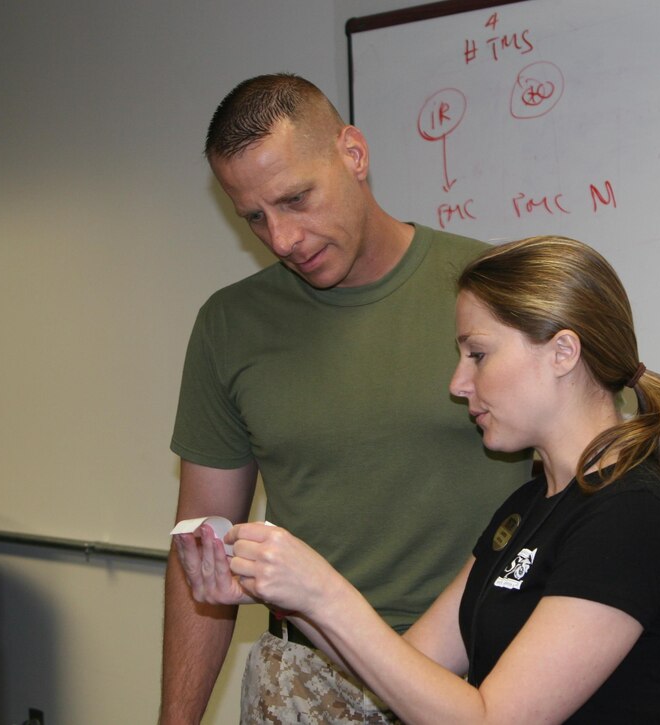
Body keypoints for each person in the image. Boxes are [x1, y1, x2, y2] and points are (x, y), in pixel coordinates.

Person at [175, 236, 660, 724]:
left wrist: (322, 589)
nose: (458, 384)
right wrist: (287, 594)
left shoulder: (632, 518)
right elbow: (406, 670)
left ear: (562, 352)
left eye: (477, 354)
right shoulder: (528, 505)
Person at [160, 73, 529, 724]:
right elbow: (202, 552)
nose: (281, 239)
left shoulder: (493, 293)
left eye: (296, 198)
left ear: (353, 154)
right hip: (305, 679)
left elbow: (591, 485)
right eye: (254, 217)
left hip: (478, 677)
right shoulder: (230, 325)